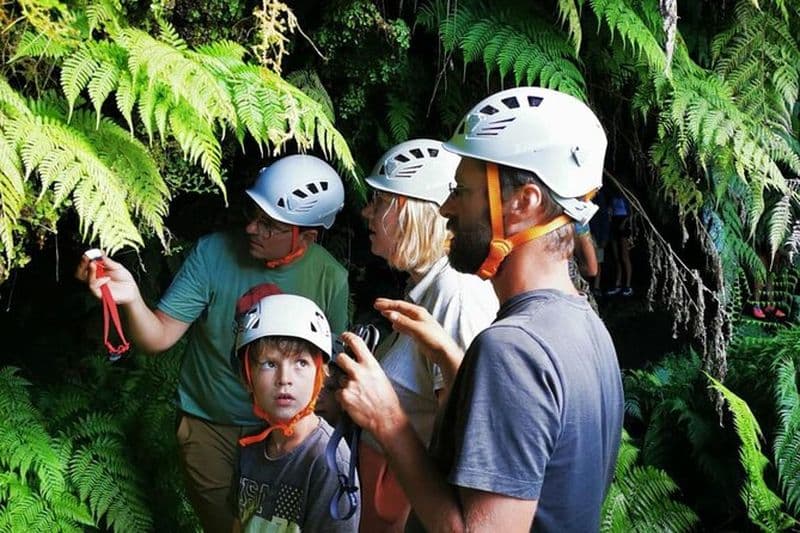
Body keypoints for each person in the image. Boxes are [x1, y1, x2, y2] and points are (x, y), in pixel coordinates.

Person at [334, 87, 624, 532]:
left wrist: (386, 418)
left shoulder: (513, 349)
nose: (447, 208)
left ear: (523, 202)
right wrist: (452, 359)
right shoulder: (584, 324)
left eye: (463, 191)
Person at [75, 155, 349, 533]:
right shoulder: (212, 254)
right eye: (253, 214)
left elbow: (327, 370)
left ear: (306, 236)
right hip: (210, 426)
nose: (253, 228)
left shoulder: (329, 277)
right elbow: (159, 336)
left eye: (270, 225)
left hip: (288, 432)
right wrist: (130, 298)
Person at [357, 139, 499, 531]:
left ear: (408, 210)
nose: (367, 211)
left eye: (380, 201)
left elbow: (462, 436)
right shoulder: (428, 285)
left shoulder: (456, 294)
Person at [230, 293, 358, 532]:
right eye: (270, 363)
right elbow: (239, 522)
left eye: (301, 363)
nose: (284, 379)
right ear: (247, 377)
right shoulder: (249, 448)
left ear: (320, 375)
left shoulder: (328, 460)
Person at [606, 190, 633, 296]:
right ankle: (618, 284)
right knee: (616, 256)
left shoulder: (626, 195)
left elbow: (631, 212)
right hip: (614, 222)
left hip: (624, 223)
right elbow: (610, 209)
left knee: (625, 256)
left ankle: (628, 285)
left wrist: (624, 223)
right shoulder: (612, 196)